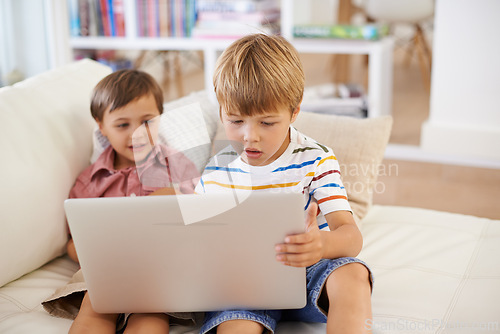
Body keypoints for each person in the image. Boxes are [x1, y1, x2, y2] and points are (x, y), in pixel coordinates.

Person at [195, 34, 373, 334]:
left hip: (306, 272)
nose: (250, 136)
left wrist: (322, 245)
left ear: (294, 112)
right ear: (221, 112)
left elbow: (350, 236)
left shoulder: (316, 159)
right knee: (237, 323)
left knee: (353, 273)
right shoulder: (216, 172)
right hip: (244, 284)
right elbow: (196, 244)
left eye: (266, 122)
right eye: (236, 121)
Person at [42, 69, 201, 333]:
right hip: (107, 269)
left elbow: (199, 210)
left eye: (147, 122)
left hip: (158, 269)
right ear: (101, 125)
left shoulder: (177, 166)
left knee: (150, 315)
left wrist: (172, 198)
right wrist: (87, 254)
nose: (136, 133)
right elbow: (75, 239)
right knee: (94, 310)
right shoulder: (90, 181)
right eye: (122, 124)